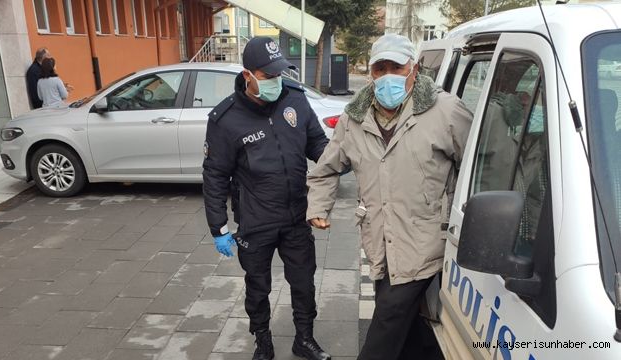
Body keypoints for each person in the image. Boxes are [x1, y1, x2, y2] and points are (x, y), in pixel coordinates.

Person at [306, 34, 473, 360]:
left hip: (425, 243)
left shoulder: (445, 111)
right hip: (380, 244)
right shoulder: (354, 119)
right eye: (379, 69)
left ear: (414, 68)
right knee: (410, 331)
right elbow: (326, 169)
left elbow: (482, 164)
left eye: (395, 67)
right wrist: (318, 206)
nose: (387, 76)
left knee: (386, 328)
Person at [202, 36, 331, 360]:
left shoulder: (296, 101)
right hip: (255, 222)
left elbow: (317, 143)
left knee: (304, 284)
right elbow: (215, 175)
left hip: (295, 217)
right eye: (267, 76)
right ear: (248, 76)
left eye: (279, 74)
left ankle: (304, 339)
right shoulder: (226, 119)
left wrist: (338, 163)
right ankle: (263, 340)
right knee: (258, 288)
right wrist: (218, 227)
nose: (276, 81)